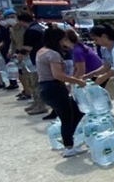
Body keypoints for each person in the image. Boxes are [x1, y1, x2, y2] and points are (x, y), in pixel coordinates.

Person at [36, 27, 88, 157]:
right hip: (54, 88)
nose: (64, 41)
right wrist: (77, 81)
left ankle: (68, 139)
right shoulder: (53, 54)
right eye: (63, 38)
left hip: (46, 88)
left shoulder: (41, 52)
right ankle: (69, 147)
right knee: (67, 118)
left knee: (76, 111)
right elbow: (57, 75)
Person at [18, 13, 48, 115]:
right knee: (36, 83)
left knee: (35, 83)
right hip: (44, 58)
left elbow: (28, 48)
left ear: (21, 21)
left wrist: (20, 56)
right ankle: (37, 103)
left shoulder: (31, 31)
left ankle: (40, 105)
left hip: (36, 59)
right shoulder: (40, 27)